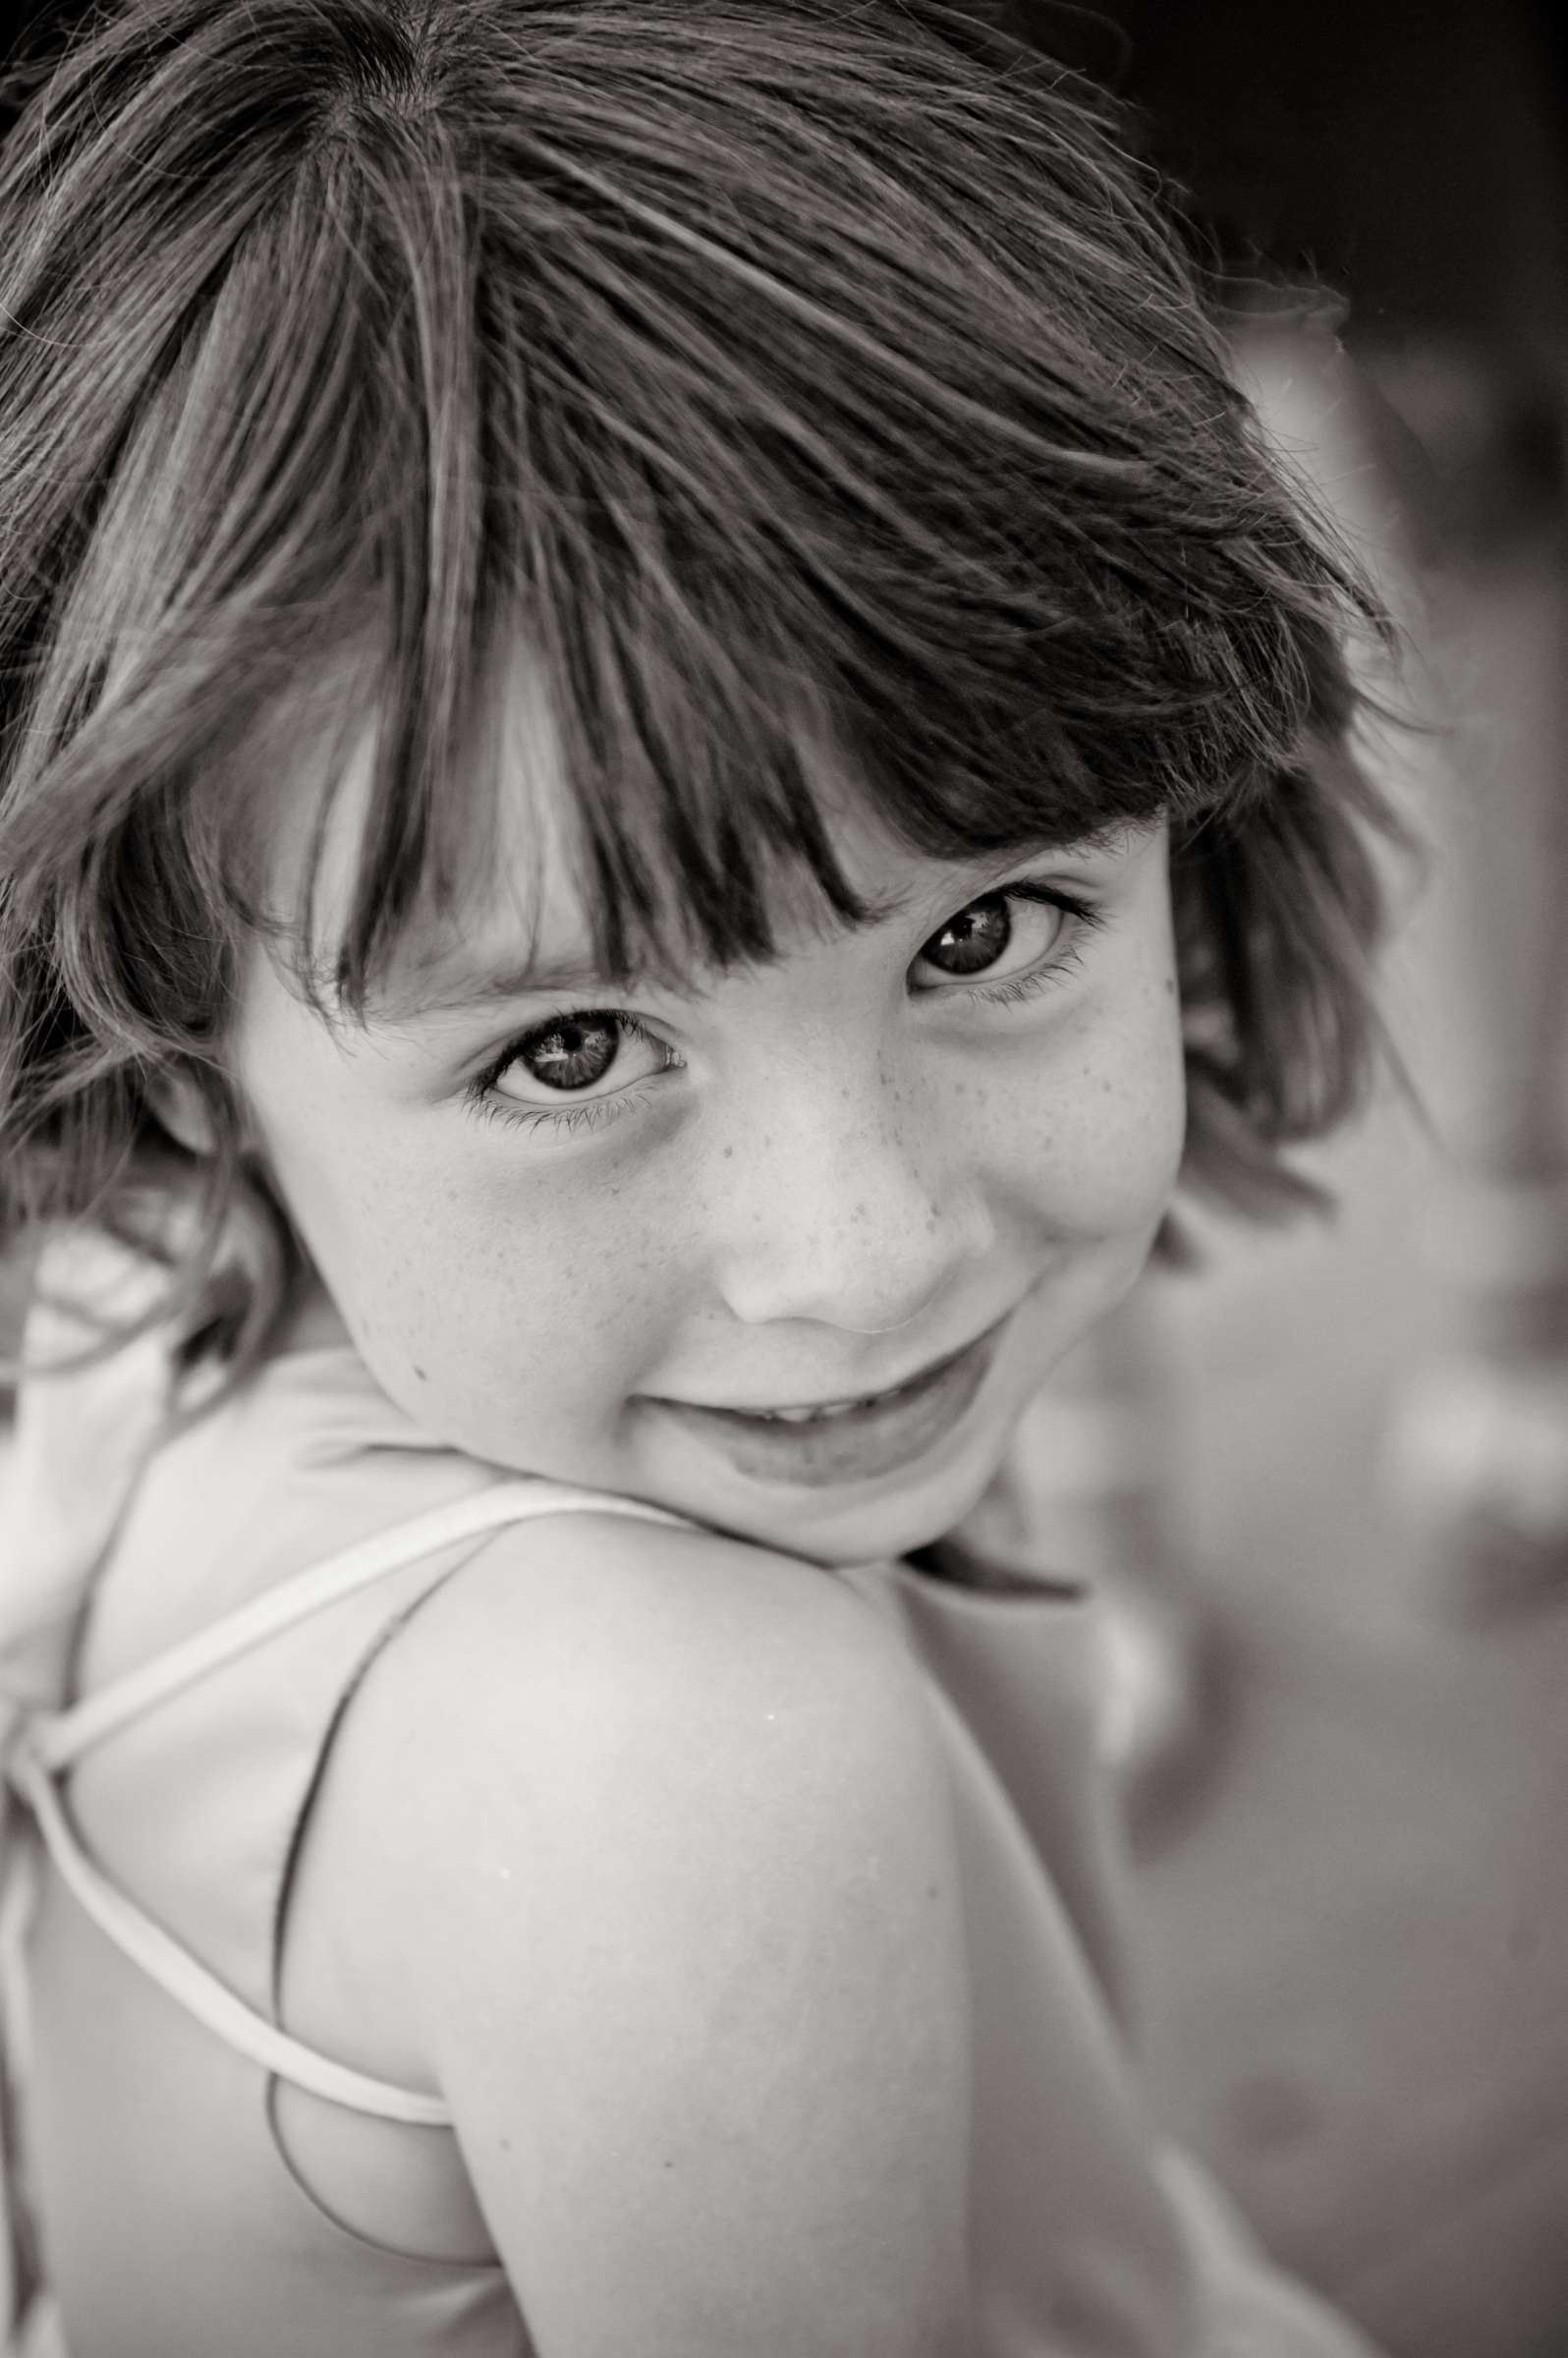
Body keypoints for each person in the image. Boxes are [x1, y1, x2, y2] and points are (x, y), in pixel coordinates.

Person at [0, 2, 1401, 2351]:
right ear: (169, 1068)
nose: (864, 1259)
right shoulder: (671, 1750)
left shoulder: (127, 1349)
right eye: (569, 1047)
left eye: (983, 933)